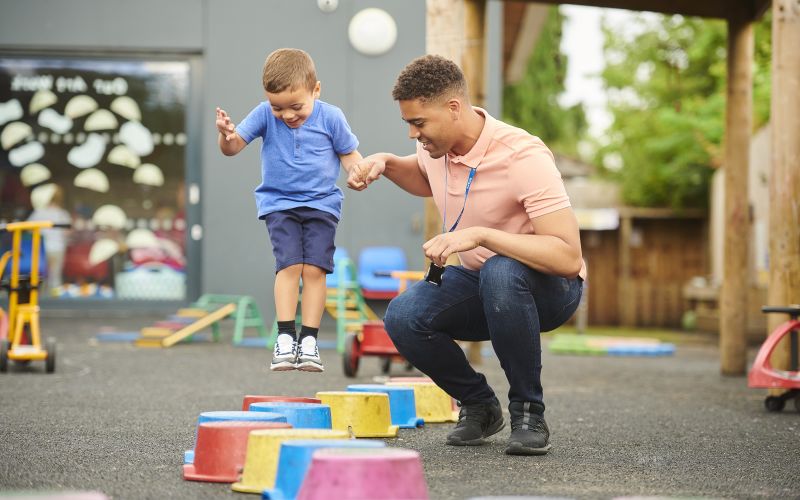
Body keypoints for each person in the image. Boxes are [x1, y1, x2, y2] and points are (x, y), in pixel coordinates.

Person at [347, 55, 585, 455]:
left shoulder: (522, 156)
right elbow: (424, 177)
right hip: (484, 282)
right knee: (403, 316)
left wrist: (480, 236)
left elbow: (567, 257)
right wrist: (385, 164)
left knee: (501, 271)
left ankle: (528, 411)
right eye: (408, 123)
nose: (412, 133)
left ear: (453, 108)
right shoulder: (435, 149)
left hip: (550, 288)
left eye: (418, 122)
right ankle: (479, 405)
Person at [216, 48, 363, 372]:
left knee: (314, 271)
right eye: (278, 107)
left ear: (316, 90)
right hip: (279, 203)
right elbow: (233, 147)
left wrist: (358, 171)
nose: (287, 115)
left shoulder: (332, 117)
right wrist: (226, 136)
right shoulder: (263, 114)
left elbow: (349, 154)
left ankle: (308, 340)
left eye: (296, 106)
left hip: (322, 204)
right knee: (289, 266)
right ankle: (285, 338)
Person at [27, 184, 72, 294]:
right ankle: (55, 301)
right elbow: (68, 232)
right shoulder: (62, 214)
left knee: (41, 275)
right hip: (58, 248)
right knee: (55, 276)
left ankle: (41, 298)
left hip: (42, 248)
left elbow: (28, 228)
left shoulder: (39, 212)